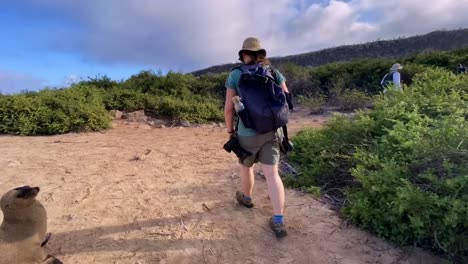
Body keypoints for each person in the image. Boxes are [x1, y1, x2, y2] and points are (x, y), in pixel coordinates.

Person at [224, 37, 290, 238]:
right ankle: (278, 220)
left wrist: (230, 132)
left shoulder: (235, 74)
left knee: (247, 167)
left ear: (244, 54)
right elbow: (286, 98)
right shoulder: (273, 71)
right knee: (272, 174)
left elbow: (228, 109)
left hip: (247, 132)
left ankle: (247, 198)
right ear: (261, 54)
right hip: (271, 131)